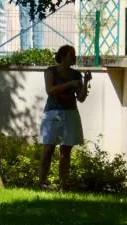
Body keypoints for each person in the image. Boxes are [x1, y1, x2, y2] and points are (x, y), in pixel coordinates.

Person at [39, 45, 89, 190]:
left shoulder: (76, 74)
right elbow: (50, 91)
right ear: (62, 56)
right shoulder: (51, 71)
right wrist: (69, 84)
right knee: (48, 148)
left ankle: (63, 185)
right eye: (71, 55)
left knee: (66, 151)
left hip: (71, 112)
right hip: (53, 113)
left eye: (74, 55)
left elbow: (81, 98)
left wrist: (85, 82)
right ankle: (42, 183)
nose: (74, 57)